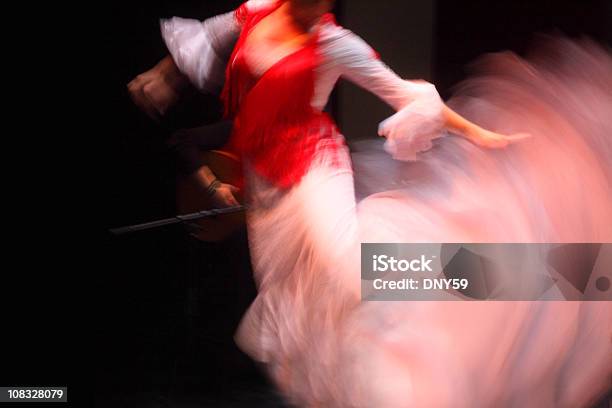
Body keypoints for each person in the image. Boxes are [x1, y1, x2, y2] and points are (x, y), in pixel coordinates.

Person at [130, 0, 612, 406]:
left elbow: (406, 96)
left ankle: (525, 276)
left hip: (314, 172)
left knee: (361, 274)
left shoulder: (336, 44)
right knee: (318, 313)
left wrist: (485, 137)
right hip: (269, 194)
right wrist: (164, 75)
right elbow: (211, 38)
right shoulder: (257, 10)